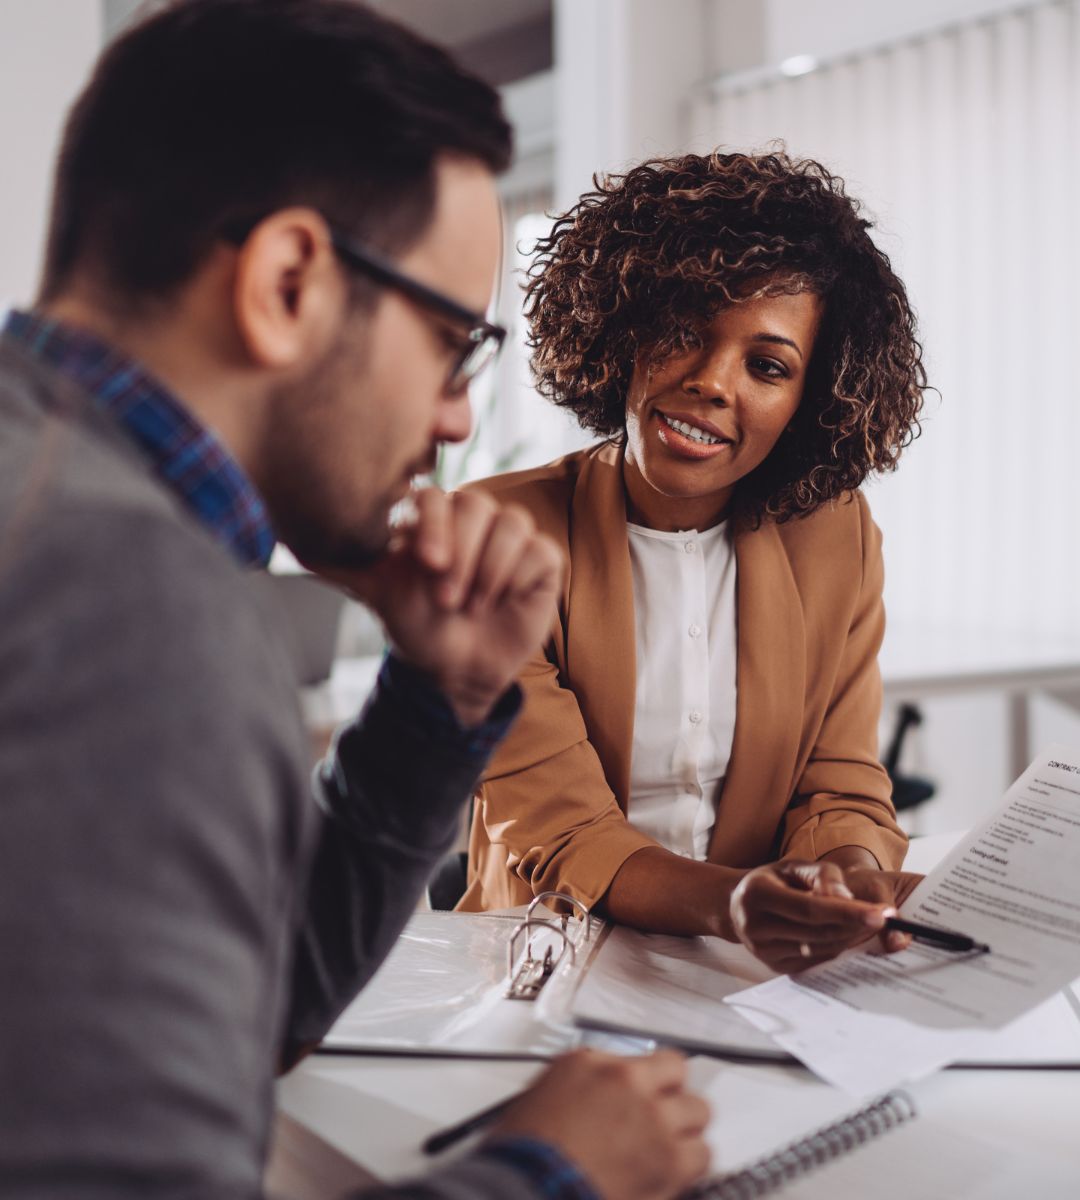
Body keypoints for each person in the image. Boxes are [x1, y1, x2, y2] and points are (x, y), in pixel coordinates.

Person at [0, 3, 710, 1198]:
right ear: (286, 281)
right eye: (450, 342)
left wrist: (440, 702)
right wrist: (555, 1173)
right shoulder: (139, 607)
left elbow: (230, 1025)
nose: (450, 420)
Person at [459, 151, 927, 974]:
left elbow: (841, 783)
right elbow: (561, 831)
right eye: (687, 329)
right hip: (538, 963)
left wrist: (848, 884)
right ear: (628, 324)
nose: (713, 382)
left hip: (746, 976)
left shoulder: (837, 537)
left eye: (768, 366)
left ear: (810, 399)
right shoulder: (495, 531)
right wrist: (738, 903)